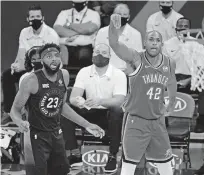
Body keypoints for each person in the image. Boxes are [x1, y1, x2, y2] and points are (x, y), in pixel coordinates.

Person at [10, 43, 105, 175]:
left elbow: (62, 106)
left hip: (56, 134)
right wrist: (20, 122)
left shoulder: (64, 75)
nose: (54, 59)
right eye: (49, 56)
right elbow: (14, 110)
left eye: (56, 55)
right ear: (42, 61)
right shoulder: (30, 81)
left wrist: (87, 124)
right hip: (36, 135)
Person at [109, 14, 177, 175]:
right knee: (129, 165)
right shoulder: (135, 58)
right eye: (150, 39)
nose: (154, 42)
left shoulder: (169, 62)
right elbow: (114, 43)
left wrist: (172, 102)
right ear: (145, 43)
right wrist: (113, 27)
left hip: (158, 121)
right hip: (136, 121)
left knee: (166, 165)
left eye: (157, 40)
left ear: (161, 44)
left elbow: (172, 82)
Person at [62, 43, 126, 172]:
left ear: (109, 56)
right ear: (92, 55)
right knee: (66, 109)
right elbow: (73, 97)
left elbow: (119, 101)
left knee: (117, 111)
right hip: (89, 111)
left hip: (108, 113)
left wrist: (100, 101)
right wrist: (79, 101)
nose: (99, 55)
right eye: (97, 52)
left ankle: (112, 155)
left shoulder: (118, 74)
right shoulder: (84, 71)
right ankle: (75, 154)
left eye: (103, 52)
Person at [1, 4, 60, 126]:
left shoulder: (51, 34)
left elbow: (52, 61)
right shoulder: (24, 32)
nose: (35, 19)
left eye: (38, 16)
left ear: (43, 18)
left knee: (29, 80)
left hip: (47, 70)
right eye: (32, 17)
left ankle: (32, 115)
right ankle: (10, 112)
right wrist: (16, 65)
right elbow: (21, 54)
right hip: (28, 68)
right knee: (7, 75)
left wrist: (27, 67)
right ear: (27, 19)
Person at [95, 3, 143, 73]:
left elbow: (137, 59)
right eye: (119, 14)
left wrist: (129, 72)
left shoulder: (136, 34)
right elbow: (97, 56)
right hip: (105, 71)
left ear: (128, 17)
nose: (121, 17)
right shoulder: (102, 32)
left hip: (127, 72)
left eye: (124, 15)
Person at [53, 0, 101, 68]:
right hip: (66, 45)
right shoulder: (64, 13)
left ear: (86, 2)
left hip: (86, 46)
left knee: (84, 55)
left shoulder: (94, 14)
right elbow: (57, 29)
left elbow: (90, 29)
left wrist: (68, 24)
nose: (78, 5)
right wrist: (83, 29)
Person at [163, 17, 194, 94]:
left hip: (191, 80)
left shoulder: (196, 45)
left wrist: (189, 80)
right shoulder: (167, 44)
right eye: (180, 26)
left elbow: (200, 70)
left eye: (186, 26)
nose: (183, 28)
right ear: (176, 28)